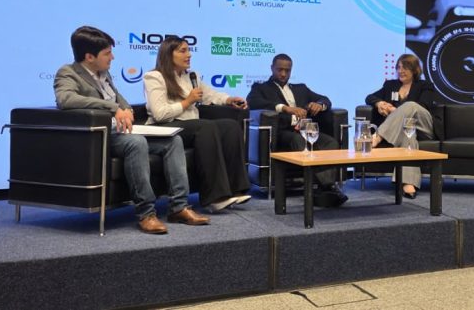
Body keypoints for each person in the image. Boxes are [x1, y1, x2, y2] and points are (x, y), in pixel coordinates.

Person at [54, 26, 209, 234]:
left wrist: (125, 107)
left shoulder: (104, 73)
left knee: (173, 140)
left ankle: (179, 207)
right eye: (107, 53)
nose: (113, 57)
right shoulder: (68, 73)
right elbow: (66, 99)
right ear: (89, 57)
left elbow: (118, 98)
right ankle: (146, 213)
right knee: (136, 143)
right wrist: (113, 108)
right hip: (101, 137)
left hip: (123, 131)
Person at [143, 36, 252, 213]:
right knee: (205, 126)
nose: (189, 55)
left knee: (230, 126)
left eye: (189, 50)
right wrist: (187, 102)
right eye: (183, 51)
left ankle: (235, 189)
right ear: (168, 54)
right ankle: (214, 197)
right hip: (165, 128)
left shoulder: (191, 76)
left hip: (190, 127)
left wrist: (229, 99)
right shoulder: (155, 77)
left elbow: (210, 95)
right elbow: (160, 113)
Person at [247, 53, 347, 206]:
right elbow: (253, 102)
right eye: (279, 70)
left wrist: (319, 105)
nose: (283, 74)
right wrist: (285, 108)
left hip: (307, 129)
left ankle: (323, 188)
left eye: (287, 70)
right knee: (298, 140)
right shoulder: (261, 88)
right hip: (283, 132)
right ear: (272, 68)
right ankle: (328, 186)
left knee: (331, 142)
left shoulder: (301, 88)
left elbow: (325, 99)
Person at [365, 54, 438, 199]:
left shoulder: (425, 86)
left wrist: (395, 111)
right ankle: (408, 184)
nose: (401, 71)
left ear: (414, 70)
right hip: (408, 129)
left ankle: (377, 136)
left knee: (411, 106)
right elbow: (369, 97)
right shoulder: (390, 85)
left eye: (405, 68)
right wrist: (380, 103)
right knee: (408, 134)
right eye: (398, 67)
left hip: (424, 125)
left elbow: (423, 106)